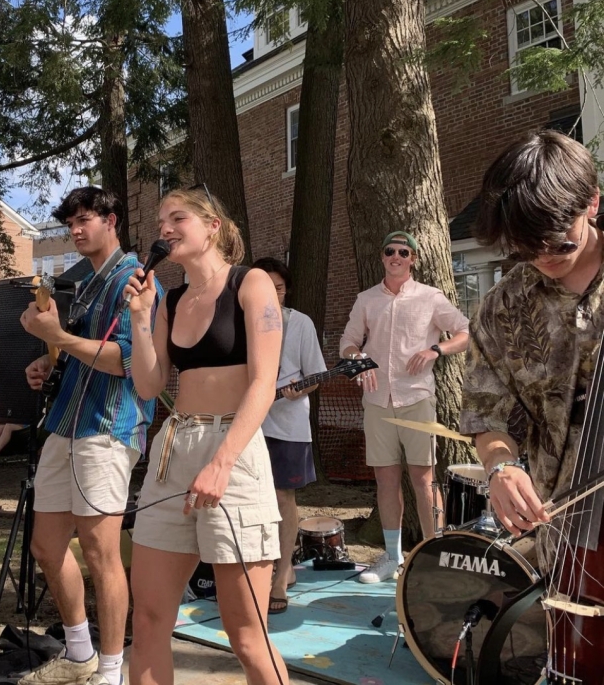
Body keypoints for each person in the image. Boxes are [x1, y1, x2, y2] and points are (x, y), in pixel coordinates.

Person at [124, 188, 289, 685]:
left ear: (212, 225)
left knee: (246, 634)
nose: (166, 229)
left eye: (178, 218)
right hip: (174, 449)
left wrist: (222, 462)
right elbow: (150, 385)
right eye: (160, 221)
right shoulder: (171, 299)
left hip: (232, 450)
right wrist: (139, 316)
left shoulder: (251, 282)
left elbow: (264, 382)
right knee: (150, 619)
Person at [18, 186, 162, 685]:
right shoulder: (85, 283)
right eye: (70, 222)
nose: (76, 230)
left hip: (108, 427)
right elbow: (77, 353)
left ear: (111, 221)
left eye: (85, 220)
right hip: (64, 423)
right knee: (45, 546)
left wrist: (56, 338)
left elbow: (127, 362)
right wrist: (47, 360)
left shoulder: (135, 279)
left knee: (101, 553)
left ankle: (111, 668)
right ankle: (78, 654)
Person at [459, 130, 603, 571]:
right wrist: (501, 468)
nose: (544, 256)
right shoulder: (502, 308)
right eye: (526, 247)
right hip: (563, 536)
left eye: (560, 242)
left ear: (592, 203)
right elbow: (487, 415)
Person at [340, 231, 469, 583]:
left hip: (417, 399)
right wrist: (360, 360)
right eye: (389, 251)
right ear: (382, 257)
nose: (396, 256)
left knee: (424, 480)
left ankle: (433, 556)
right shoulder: (366, 299)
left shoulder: (430, 297)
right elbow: (348, 343)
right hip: (377, 402)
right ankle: (392, 557)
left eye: (403, 252)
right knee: (385, 480)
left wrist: (436, 350)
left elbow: (464, 331)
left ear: (412, 258)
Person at [251, 257, 327, 614]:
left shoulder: (301, 324)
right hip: (249, 422)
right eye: (265, 287)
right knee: (250, 499)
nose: (272, 294)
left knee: (283, 498)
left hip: (288, 425)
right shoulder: (244, 321)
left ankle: (282, 576)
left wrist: (301, 390)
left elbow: (316, 373)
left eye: (278, 288)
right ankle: (257, 572)